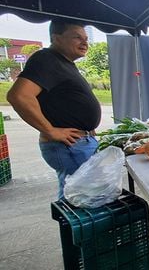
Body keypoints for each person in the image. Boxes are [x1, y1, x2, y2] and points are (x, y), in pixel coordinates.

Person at [6, 18, 101, 199]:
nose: (84, 42)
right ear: (56, 38)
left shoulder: (64, 63)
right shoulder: (46, 59)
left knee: (81, 196)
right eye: (77, 37)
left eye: (86, 38)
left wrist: (88, 129)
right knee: (80, 199)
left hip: (79, 143)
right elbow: (19, 96)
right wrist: (50, 131)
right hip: (69, 146)